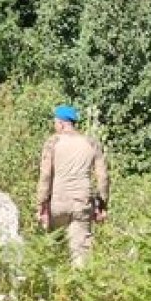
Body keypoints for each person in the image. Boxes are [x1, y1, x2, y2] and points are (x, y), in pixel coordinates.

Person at [36, 104, 109, 267]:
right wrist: (102, 204)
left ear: (61, 123)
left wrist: (41, 204)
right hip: (82, 203)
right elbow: (103, 177)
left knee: (56, 247)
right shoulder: (91, 143)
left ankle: (57, 287)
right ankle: (80, 288)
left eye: (55, 122)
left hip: (58, 203)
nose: (54, 126)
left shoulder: (52, 142)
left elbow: (46, 175)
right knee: (80, 251)